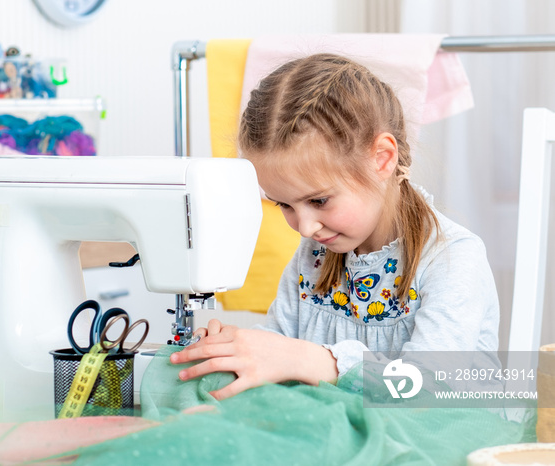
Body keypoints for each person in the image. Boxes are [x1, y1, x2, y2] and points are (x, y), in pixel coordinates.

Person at [170, 53, 500, 400]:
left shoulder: (452, 259)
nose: (304, 227)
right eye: (283, 204)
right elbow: (282, 345)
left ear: (382, 159)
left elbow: (425, 388)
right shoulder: (315, 255)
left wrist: (314, 360)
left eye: (319, 201)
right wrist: (238, 354)